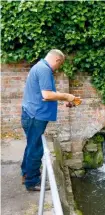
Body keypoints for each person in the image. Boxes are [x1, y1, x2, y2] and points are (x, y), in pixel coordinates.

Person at [21, 49, 81, 191]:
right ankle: (32, 182)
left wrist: (64, 100)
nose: (58, 68)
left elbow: (45, 95)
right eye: (60, 64)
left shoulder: (39, 67)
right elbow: (47, 95)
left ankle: (26, 174)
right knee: (36, 149)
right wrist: (67, 96)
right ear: (57, 60)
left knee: (31, 146)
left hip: (31, 113)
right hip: (35, 116)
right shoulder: (44, 70)